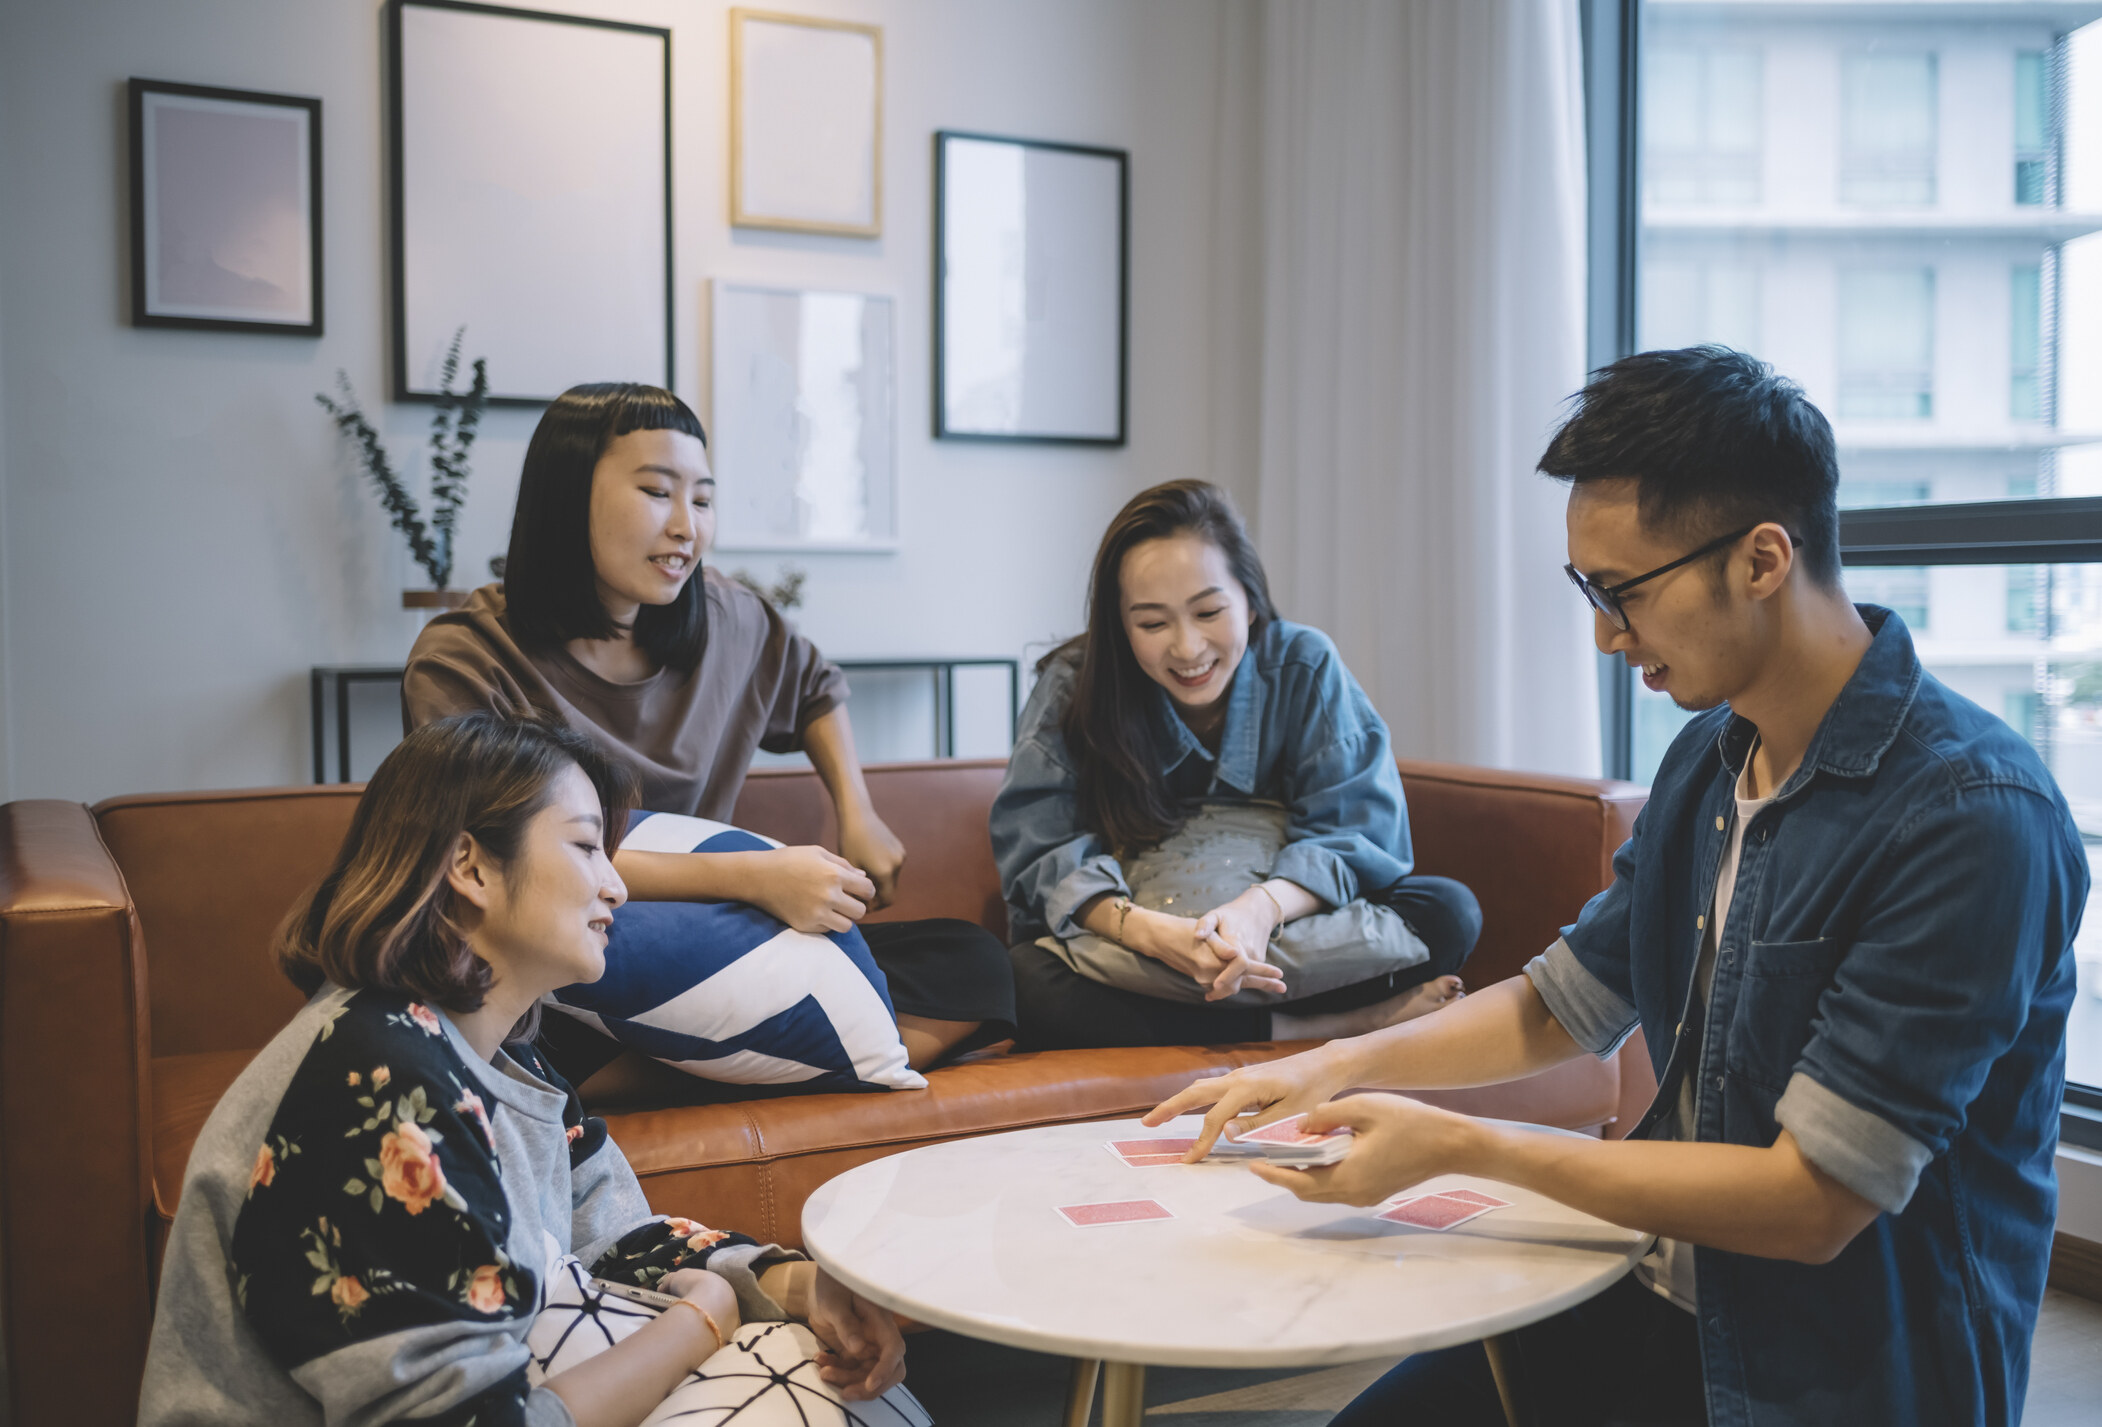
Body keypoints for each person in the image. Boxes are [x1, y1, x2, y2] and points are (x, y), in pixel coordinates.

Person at [1147, 348, 2087, 1427]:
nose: (1602, 633)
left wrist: (1459, 1142)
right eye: (1586, 590)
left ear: (1762, 559)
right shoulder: (1707, 759)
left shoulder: (1969, 814)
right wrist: (1327, 1064)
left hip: (1833, 1371)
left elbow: (1812, 1200)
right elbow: (1563, 1002)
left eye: (1623, 591)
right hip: (1647, 1293)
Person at [139, 712, 910, 1425]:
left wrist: (801, 1286)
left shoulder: (499, 1054)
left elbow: (617, 1240)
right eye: (584, 847)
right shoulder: (374, 1080)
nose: (617, 883)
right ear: (470, 866)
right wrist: (701, 1323)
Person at [404, 383, 1014, 1076]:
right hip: (580, 937)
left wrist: (858, 810)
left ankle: (668, 1076)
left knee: (974, 961)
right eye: (658, 492)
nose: (685, 527)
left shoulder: (727, 620)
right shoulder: (466, 657)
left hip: (713, 932)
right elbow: (500, 854)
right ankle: (723, 1069)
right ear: (568, 497)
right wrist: (755, 877)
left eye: (701, 500)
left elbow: (814, 686)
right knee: (563, 958)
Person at [991, 479, 1480, 1049]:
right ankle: (1319, 1026)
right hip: (1138, 946)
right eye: (1152, 623)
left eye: (1208, 611)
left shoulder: (1304, 664)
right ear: (1119, 627)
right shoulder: (1074, 684)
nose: (1188, 648)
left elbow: (1356, 833)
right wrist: (1157, 936)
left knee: (1449, 912)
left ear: (1249, 601)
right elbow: (1042, 853)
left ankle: (1222, 1009)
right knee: (1024, 980)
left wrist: (1257, 912)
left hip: (1284, 932)